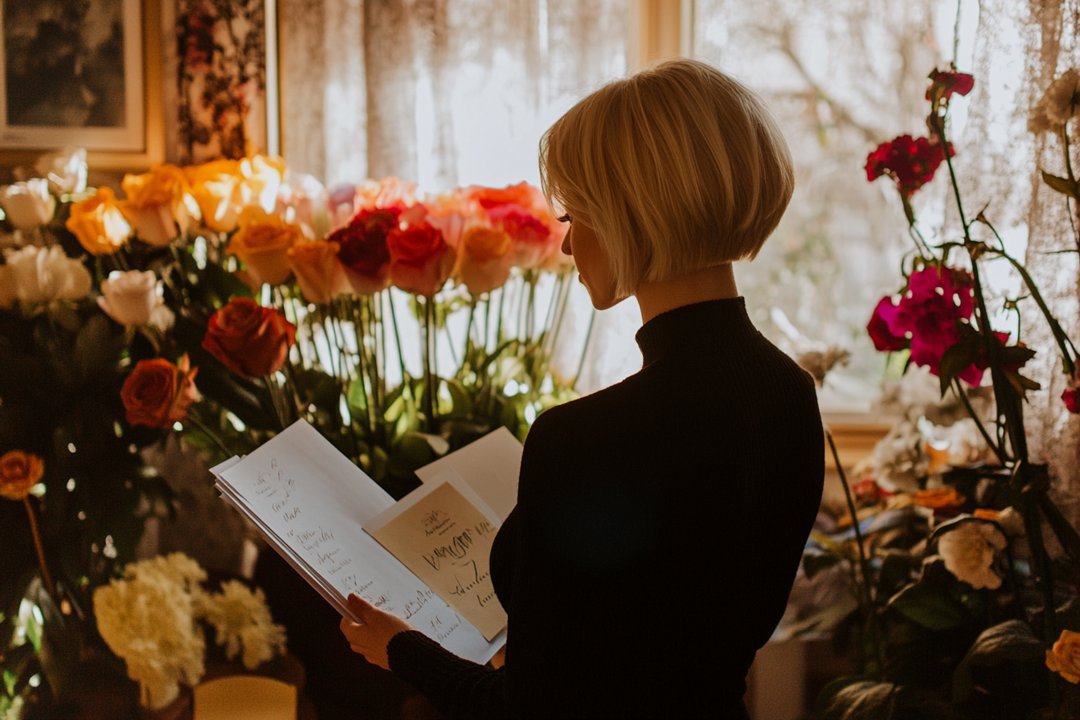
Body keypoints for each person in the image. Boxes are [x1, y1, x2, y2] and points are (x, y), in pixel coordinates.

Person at [341, 58, 824, 720]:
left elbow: (530, 710)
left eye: (573, 215)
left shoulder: (589, 437)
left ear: (632, 215)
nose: (566, 247)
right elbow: (658, 647)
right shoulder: (790, 394)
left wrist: (399, 649)